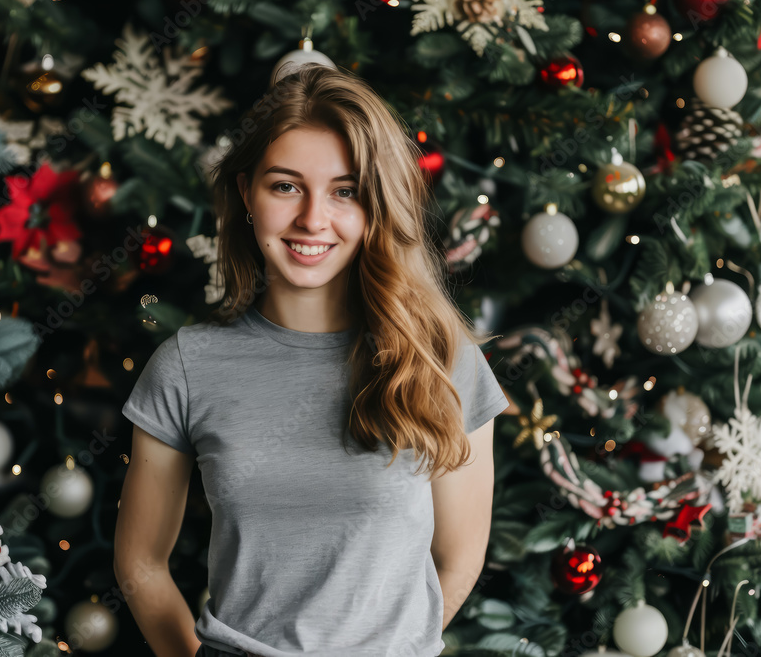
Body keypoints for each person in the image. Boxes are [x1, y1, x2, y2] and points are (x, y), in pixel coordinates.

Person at [114, 63, 510, 657]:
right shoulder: (187, 367)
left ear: (377, 204)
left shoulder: (443, 363)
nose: (312, 220)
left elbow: (459, 558)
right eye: (285, 186)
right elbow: (140, 563)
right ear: (246, 193)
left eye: (345, 191)